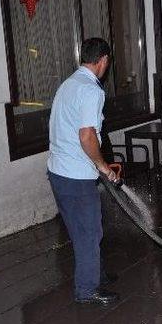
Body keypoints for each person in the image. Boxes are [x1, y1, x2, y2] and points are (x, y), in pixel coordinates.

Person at [47, 37, 120, 305]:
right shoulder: (92, 91)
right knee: (89, 231)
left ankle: (95, 274)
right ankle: (88, 290)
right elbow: (87, 135)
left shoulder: (68, 85)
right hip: (76, 176)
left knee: (81, 230)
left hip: (58, 172)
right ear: (103, 61)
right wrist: (103, 166)